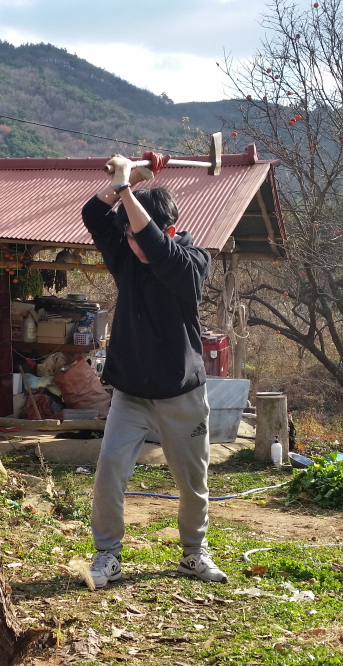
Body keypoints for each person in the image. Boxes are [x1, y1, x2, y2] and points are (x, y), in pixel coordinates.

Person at [78, 151, 226, 588]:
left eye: (140, 236)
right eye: (128, 237)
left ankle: (193, 553)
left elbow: (156, 246)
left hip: (181, 394)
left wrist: (126, 188)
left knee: (192, 481)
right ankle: (108, 554)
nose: (133, 244)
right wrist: (137, 175)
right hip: (131, 392)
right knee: (109, 470)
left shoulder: (191, 262)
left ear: (171, 231)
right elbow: (93, 212)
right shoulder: (127, 253)